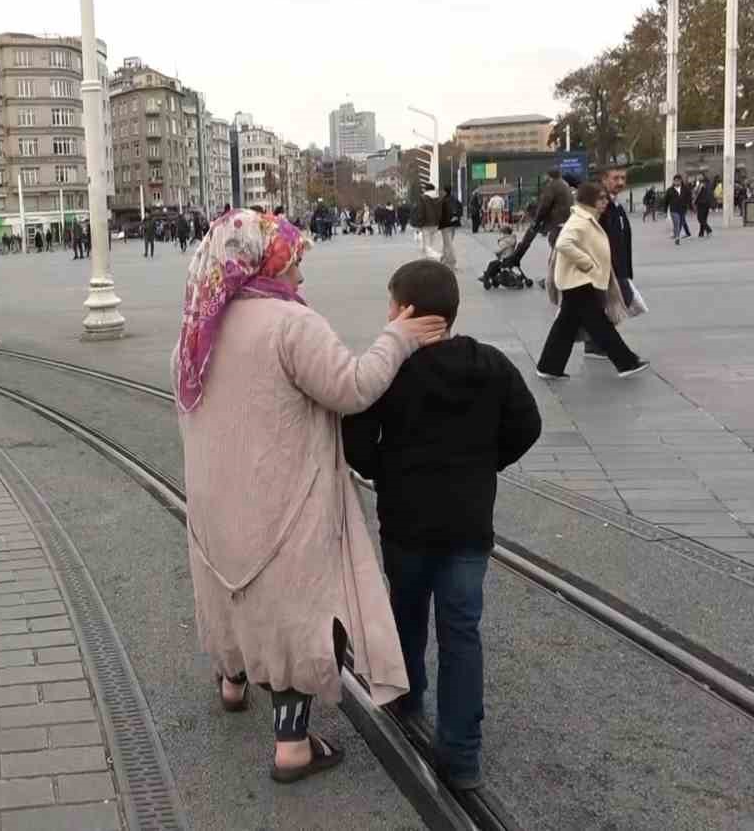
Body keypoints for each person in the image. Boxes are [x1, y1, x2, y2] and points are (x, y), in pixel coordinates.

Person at [172, 209, 447, 785]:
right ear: (267, 260)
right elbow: (351, 388)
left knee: (230, 588)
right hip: (283, 496)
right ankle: (292, 745)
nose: (300, 276)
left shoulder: (199, 325)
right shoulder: (290, 324)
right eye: (295, 261)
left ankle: (231, 681)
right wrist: (397, 337)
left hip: (216, 498)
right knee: (294, 607)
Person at [342, 260, 541, 790]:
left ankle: (407, 698)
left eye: (391, 304)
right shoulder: (489, 364)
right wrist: (483, 465)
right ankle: (461, 756)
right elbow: (528, 425)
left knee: (406, 614)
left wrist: (388, 474)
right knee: (461, 632)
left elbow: (356, 442)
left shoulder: (389, 371)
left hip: (406, 524)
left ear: (403, 311)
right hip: (467, 527)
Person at [535, 182, 649, 379]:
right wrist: (587, 263)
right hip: (579, 282)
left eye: (605, 198)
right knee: (599, 325)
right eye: (601, 198)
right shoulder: (580, 220)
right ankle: (626, 362)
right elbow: (563, 243)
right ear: (589, 200)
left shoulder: (586, 218)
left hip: (577, 281)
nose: (605, 202)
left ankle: (549, 366)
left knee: (566, 326)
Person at [588, 166, 636, 359]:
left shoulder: (615, 204)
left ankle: (596, 342)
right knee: (618, 299)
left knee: (615, 301)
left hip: (618, 265)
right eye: (616, 178)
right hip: (607, 266)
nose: (620, 182)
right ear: (604, 179)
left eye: (623, 178)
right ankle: (599, 343)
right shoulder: (601, 204)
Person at [532, 169, 573, 248]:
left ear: (549, 176)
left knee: (554, 241)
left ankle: (559, 259)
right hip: (568, 218)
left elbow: (545, 205)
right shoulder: (565, 184)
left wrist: (537, 220)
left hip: (557, 219)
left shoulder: (552, 185)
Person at [414, 183, 443, 261]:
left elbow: (421, 212)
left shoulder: (423, 198)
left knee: (426, 246)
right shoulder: (439, 198)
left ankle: (438, 257)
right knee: (431, 245)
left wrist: (419, 225)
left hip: (426, 225)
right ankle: (429, 261)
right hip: (436, 224)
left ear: (426, 190)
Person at [438, 185, 462, 268]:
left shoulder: (444, 200)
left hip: (445, 225)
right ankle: (444, 259)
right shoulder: (454, 199)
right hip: (452, 225)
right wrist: (457, 216)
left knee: (448, 243)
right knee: (447, 243)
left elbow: (441, 213)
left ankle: (451, 261)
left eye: (442, 191)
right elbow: (460, 208)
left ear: (445, 191)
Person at [665, 174, 692, 244]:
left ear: (681, 181)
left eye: (678, 181)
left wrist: (691, 207)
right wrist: (665, 210)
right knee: (676, 222)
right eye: (675, 181)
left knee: (680, 223)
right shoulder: (670, 190)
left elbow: (689, 199)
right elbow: (666, 201)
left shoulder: (685, 189)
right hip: (673, 210)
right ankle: (677, 237)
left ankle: (677, 234)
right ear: (673, 181)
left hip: (683, 209)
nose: (677, 182)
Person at [694, 174, 715, 238]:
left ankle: (709, 230)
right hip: (705, 203)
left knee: (700, 218)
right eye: (698, 176)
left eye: (699, 176)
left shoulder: (703, 184)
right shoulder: (706, 183)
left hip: (702, 203)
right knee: (703, 219)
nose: (698, 177)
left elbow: (696, 192)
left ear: (703, 177)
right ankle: (701, 233)